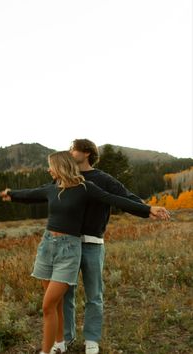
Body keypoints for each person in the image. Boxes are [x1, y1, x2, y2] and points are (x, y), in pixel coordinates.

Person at [0, 151, 169, 354]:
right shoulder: (52, 188)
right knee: (58, 302)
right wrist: (12, 194)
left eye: (50, 165)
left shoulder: (85, 188)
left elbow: (115, 199)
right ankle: (60, 342)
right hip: (47, 247)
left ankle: (72, 344)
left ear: (61, 166)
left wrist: (147, 209)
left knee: (50, 304)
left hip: (70, 248)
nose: (48, 169)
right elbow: (31, 194)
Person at [63, 139, 165, 354]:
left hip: (92, 245)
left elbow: (126, 197)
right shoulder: (67, 178)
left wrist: (147, 209)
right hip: (67, 245)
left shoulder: (103, 179)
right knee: (65, 293)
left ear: (87, 152)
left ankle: (91, 340)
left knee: (94, 295)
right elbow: (46, 194)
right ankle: (66, 338)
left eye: (74, 149)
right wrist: (16, 195)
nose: (70, 152)